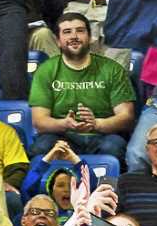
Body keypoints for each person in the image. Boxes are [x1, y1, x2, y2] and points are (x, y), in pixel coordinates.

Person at [29, 12, 139, 159]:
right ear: (58, 41)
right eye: (67, 32)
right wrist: (65, 124)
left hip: (103, 135)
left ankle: (109, 183)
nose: (74, 36)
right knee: (41, 148)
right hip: (62, 136)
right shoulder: (45, 71)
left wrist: (97, 124)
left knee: (114, 147)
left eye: (80, 31)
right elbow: (39, 121)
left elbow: (126, 117)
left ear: (89, 37)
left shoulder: (112, 69)